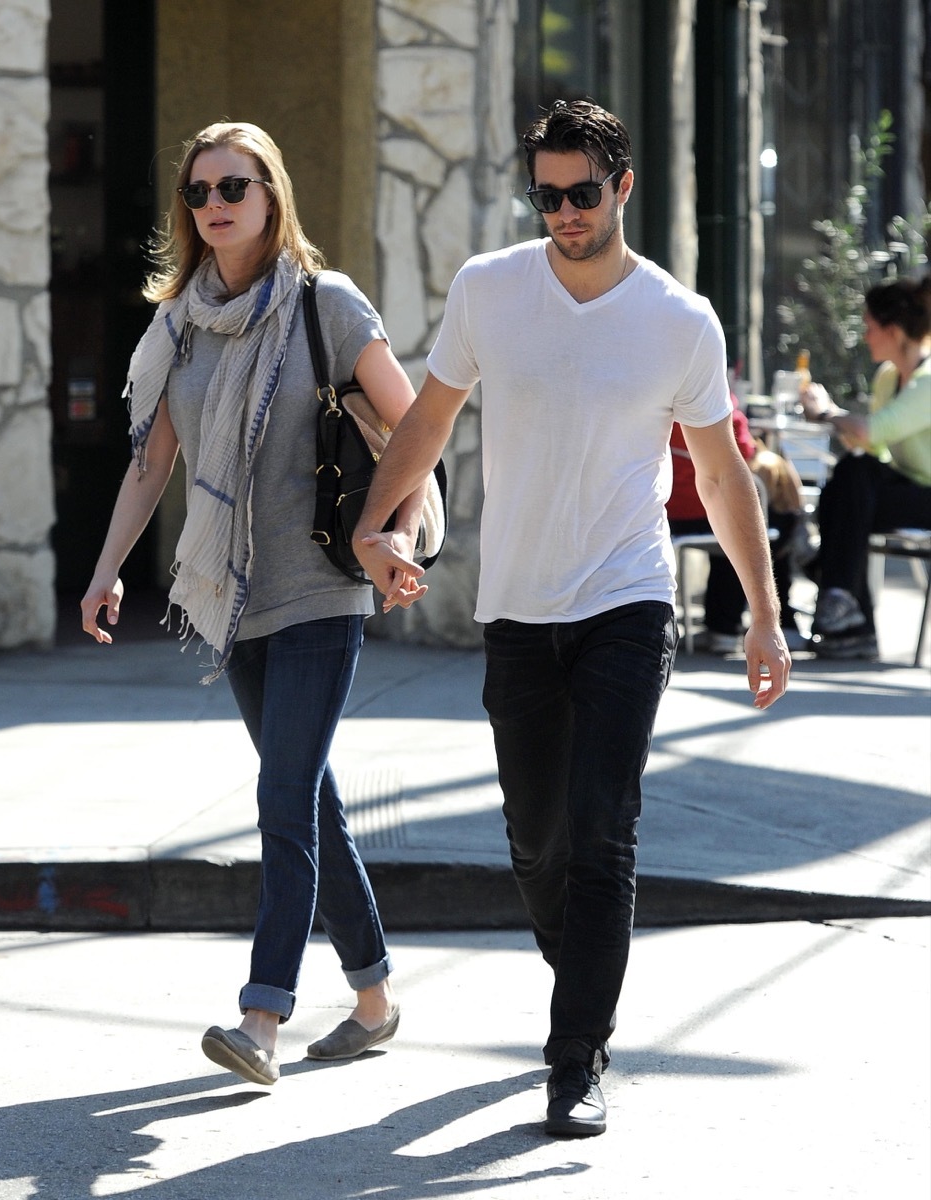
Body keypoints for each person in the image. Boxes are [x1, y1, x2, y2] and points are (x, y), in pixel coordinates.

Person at [352, 99, 790, 1138]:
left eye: (583, 194)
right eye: (546, 196)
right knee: (535, 844)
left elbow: (724, 480)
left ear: (623, 188)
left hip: (626, 602)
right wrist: (378, 527)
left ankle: (574, 1054)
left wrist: (765, 616)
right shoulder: (489, 290)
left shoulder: (679, 319)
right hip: (517, 606)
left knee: (604, 835)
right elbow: (427, 419)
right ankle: (584, 965)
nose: (564, 214)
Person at [80, 121, 415, 1086]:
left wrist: (385, 531)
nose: (215, 203)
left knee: (279, 796)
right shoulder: (181, 323)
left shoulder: (328, 306)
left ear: (272, 193)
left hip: (320, 590)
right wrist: (106, 571)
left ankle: (262, 1015)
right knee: (309, 798)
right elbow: (153, 466)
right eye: (199, 192)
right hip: (234, 597)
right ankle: (376, 998)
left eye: (234, 184)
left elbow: (414, 427)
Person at [801, 275, 931, 659]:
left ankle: (838, 596)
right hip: (907, 483)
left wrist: (826, 412)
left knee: (850, 492)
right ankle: (842, 606)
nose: (866, 336)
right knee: (853, 475)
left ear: (894, 331)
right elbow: (872, 444)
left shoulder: (928, 379)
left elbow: (874, 429)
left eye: (870, 328)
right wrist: (838, 424)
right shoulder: (888, 377)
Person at [668, 398, 808, 653]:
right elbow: (738, 461)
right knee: (768, 518)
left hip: (667, 510)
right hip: (702, 507)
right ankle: (777, 618)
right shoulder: (715, 400)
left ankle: (721, 624)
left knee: (738, 519)